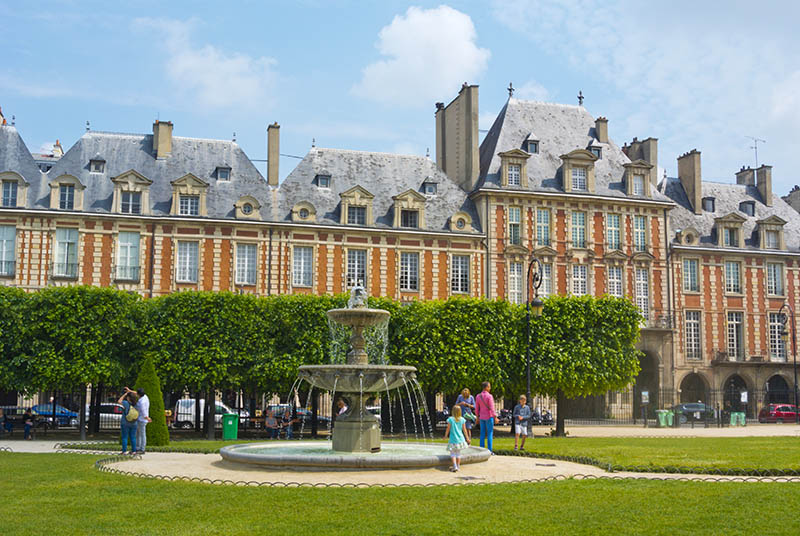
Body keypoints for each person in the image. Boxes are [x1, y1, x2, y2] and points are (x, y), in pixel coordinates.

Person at [125, 387, 152, 455]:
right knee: (139, 434)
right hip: (142, 419)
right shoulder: (145, 397)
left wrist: (147, 418)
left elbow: (143, 412)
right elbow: (136, 393)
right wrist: (130, 391)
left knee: (141, 434)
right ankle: (138, 448)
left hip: (142, 419)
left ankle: (141, 449)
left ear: (139, 395)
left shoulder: (141, 402)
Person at [475, 381, 497, 452]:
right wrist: (495, 417)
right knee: (490, 433)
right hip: (489, 416)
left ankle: (481, 450)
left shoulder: (478, 396)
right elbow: (492, 408)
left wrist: (477, 417)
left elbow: (477, 408)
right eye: (489, 386)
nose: (490, 388)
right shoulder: (489, 396)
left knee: (482, 433)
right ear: (487, 387)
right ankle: (489, 450)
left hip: (481, 417)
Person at [445, 405, 468, 472]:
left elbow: (448, 429)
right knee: (458, 453)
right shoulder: (462, 420)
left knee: (452, 454)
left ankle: (454, 466)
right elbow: (464, 430)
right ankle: (458, 466)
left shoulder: (450, 419)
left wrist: (446, 435)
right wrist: (467, 438)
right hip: (460, 439)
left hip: (453, 439)